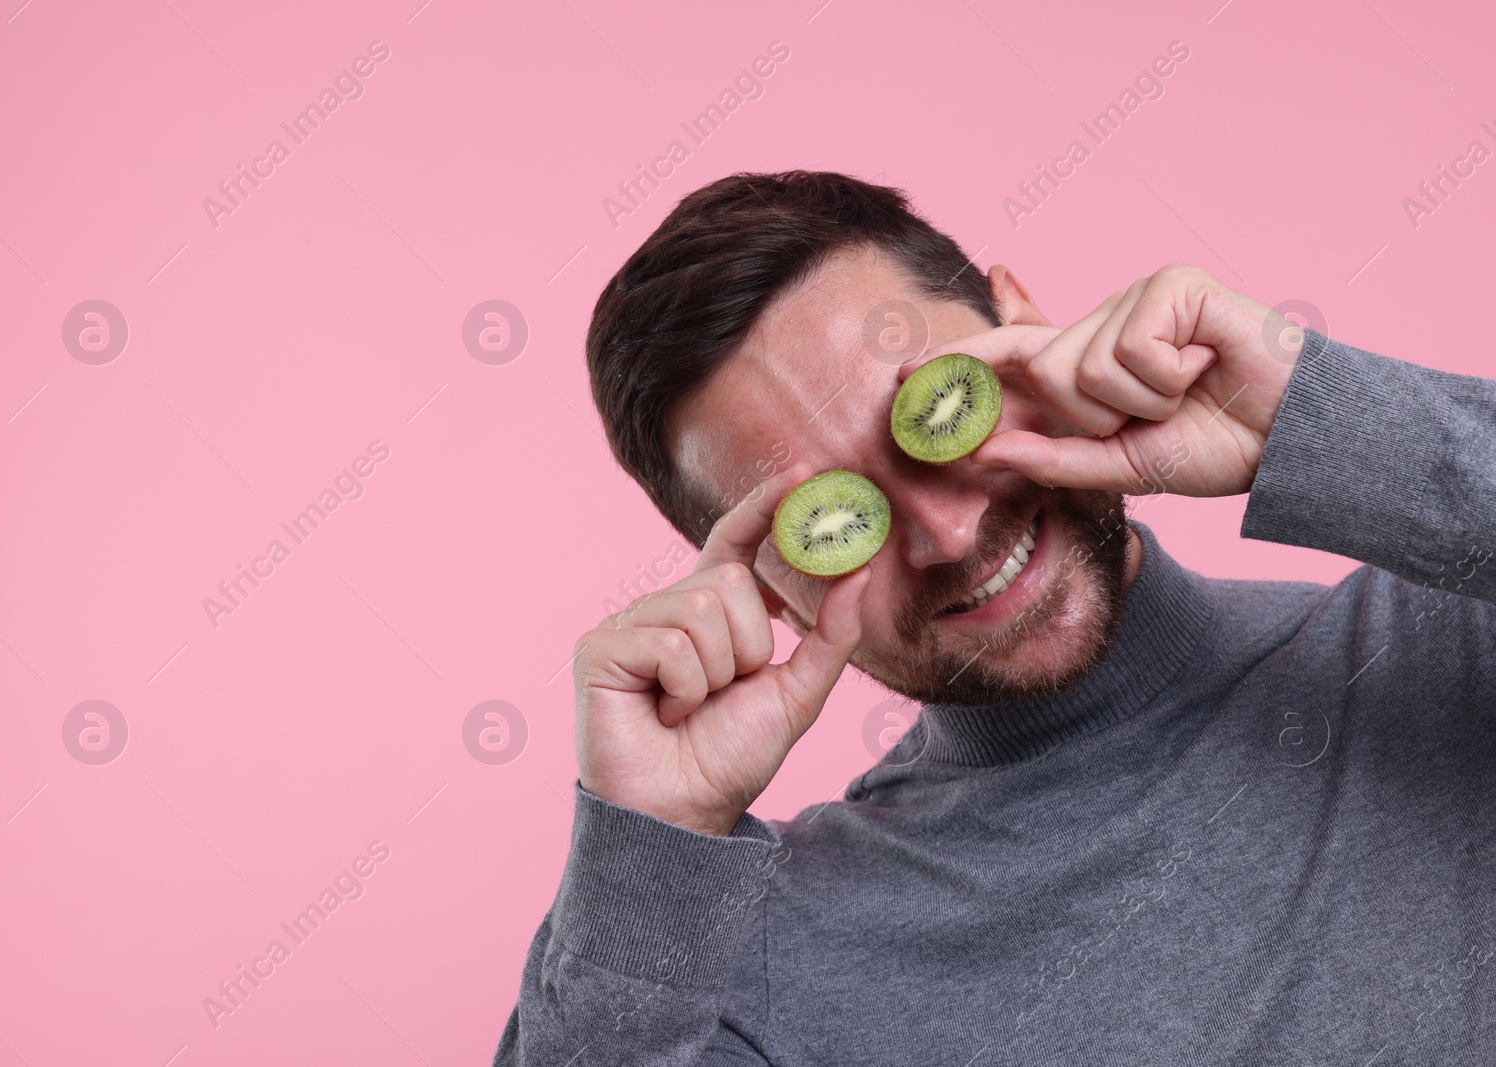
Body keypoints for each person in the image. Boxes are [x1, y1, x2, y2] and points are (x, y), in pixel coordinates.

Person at [493, 171, 1496, 1064]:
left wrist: (1323, 418)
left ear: (1022, 318)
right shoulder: (757, 961)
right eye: (835, 514)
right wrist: (647, 849)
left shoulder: (1444, 645)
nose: (947, 528)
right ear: (758, 578)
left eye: (936, 411)